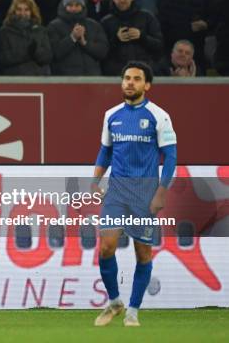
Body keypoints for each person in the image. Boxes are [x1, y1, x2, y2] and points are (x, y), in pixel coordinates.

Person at [92, 61, 177, 327]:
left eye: (136, 79)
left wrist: (161, 192)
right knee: (106, 248)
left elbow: (171, 156)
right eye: (126, 78)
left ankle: (133, 311)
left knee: (143, 254)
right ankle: (115, 301)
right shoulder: (111, 115)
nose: (130, 82)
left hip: (144, 195)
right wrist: (95, 180)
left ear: (146, 85)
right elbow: (105, 151)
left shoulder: (158, 115)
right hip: (116, 192)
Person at [101, 0, 163, 76]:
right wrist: (116, 39)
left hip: (145, 71)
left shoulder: (147, 17)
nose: (122, 0)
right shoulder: (106, 22)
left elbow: (159, 45)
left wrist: (142, 36)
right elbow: (101, 52)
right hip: (117, 74)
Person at [0, 0, 52, 76]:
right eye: (19, 9)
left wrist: (36, 51)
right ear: (13, 11)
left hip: (38, 80)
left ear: (32, 11)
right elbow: (3, 58)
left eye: (26, 9)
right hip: (14, 81)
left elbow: (47, 57)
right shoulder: (5, 31)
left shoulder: (40, 30)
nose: (22, 13)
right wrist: (26, 52)